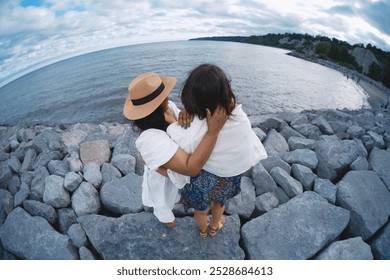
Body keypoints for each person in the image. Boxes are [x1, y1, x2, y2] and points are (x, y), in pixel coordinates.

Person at [167, 64, 267, 237]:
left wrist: (183, 115)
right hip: (230, 176)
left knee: (200, 211)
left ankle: (203, 230)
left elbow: (180, 142)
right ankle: (215, 226)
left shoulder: (196, 128)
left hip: (202, 180)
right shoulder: (240, 117)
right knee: (219, 203)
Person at [123, 72, 228, 228]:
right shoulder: (148, 139)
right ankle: (168, 221)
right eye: (163, 96)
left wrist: (185, 114)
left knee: (176, 194)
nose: (168, 97)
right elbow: (190, 168)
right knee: (162, 201)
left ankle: (177, 205)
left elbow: (184, 129)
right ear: (156, 107)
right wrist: (213, 132)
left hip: (172, 171)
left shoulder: (169, 108)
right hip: (164, 177)